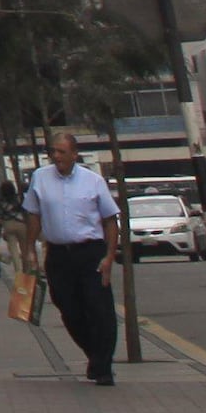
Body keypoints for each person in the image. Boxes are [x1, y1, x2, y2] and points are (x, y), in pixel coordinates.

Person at [22, 126, 124, 386]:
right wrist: (29, 250)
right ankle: (94, 355)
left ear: (74, 154)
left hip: (90, 252)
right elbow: (33, 215)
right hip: (58, 254)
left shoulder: (93, 181)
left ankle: (103, 367)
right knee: (68, 308)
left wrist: (109, 257)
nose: (56, 157)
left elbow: (110, 221)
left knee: (98, 308)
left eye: (61, 152)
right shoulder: (40, 178)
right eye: (52, 152)